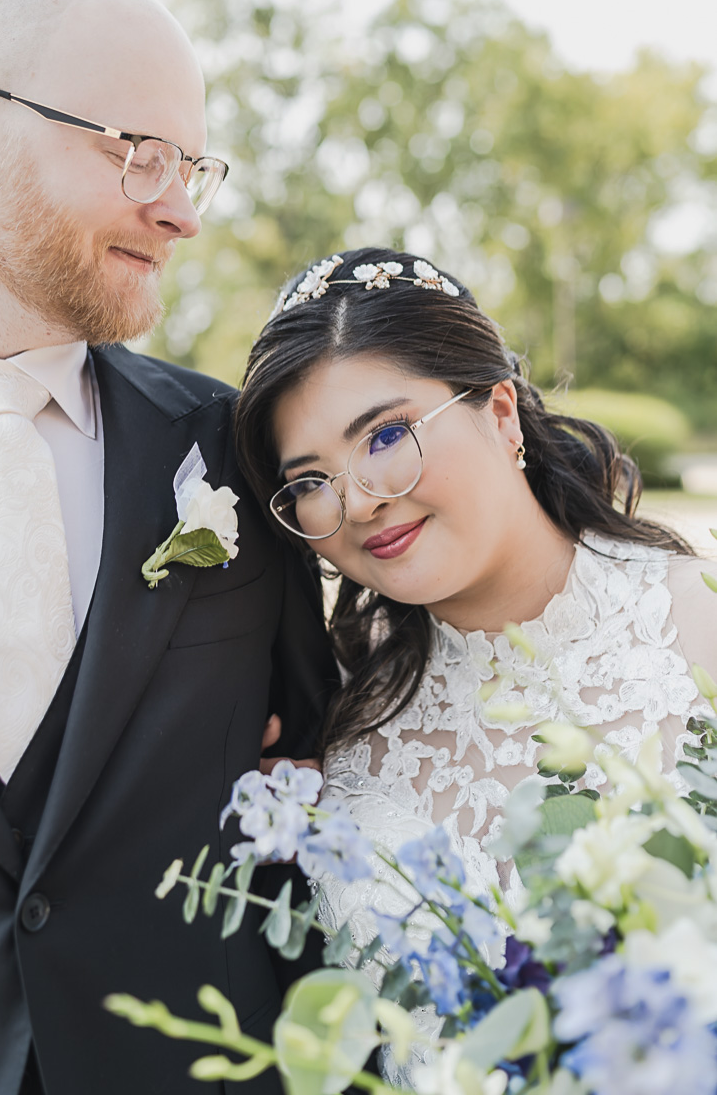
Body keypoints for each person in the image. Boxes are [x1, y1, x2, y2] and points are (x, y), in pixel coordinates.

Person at [0, 0, 335, 1095]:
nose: (182, 209)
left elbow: (321, 786)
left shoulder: (236, 453)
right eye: (135, 152)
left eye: (190, 166)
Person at [234, 245, 715, 1023]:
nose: (357, 503)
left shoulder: (701, 626)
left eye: (385, 436)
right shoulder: (345, 728)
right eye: (311, 482)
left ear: (499, 414)